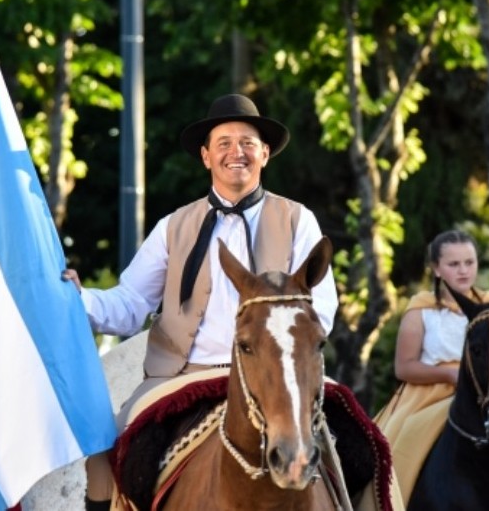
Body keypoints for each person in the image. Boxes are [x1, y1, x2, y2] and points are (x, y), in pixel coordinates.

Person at [62, 93, 339, 511]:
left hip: (280, 378)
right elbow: (132, 302)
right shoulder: (173, 226)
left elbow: (322, 308)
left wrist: (288, 351)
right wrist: (78, 300)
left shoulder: (299, 219)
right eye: (223, 143)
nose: (236, 152)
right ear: (207, 156)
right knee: (108, 451)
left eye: (247, 142)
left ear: (264, 154)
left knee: (363, 447)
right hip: (181, 376)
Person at [373, 229, 489, 442]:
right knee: (398, 443)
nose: (463, 271)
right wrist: (450, 375)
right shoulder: (421, 309)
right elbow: (404, 368)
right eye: (454, 264)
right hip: (428, 395)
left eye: (470, 263)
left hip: (485, 393)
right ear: (436, 269)